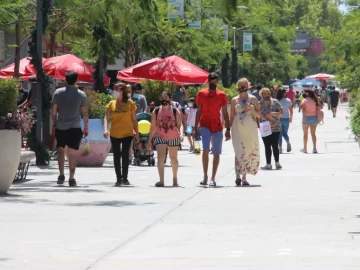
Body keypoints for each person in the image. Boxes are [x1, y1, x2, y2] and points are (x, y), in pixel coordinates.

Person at [51, 70, 88, 187]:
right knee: (72, 153)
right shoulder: (81, 94)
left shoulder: (58, 92)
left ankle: (61, 175)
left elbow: (53, 111)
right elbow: (85, 113)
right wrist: (86, 127)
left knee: (60, 150)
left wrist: (54, 123)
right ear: (76, 80)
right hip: (75, 126)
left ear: (65, 80)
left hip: (61, 126)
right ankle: (71, 178)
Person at [194, 72, 231, 187]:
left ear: (217, 82)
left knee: (216, 153)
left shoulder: (221, 95)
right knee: (205, 149)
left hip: (217, 126)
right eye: (211, 80)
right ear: (208, 81)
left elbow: (225, 113)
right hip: (204, 124)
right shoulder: (201, 93)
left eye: (214, 81)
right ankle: (205, 176)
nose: (212, 83)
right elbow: (198, 111)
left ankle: (213, 178)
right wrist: (195, 127)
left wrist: (228, 129)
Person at [104, 83, 139, 186]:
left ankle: (125, 178)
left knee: (125, 155)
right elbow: (106, 117)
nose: (116, 91)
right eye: (115, 89)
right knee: (116, 155)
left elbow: (134, 119)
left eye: (118, 90)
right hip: (114, 133)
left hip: (127, 133)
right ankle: (118, 178)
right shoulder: (111, 104)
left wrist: (136, 133)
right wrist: (105, 129)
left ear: (123, 91)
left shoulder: (130, 103)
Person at [147, 91, 183, 187]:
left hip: (173, 136)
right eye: (162, 98)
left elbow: (180, 125)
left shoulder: (175, 111)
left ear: (170, 99)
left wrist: (181, 134)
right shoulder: (156, 110)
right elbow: (153, 126)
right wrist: (149, 140)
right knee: (160, 158)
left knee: (173, 158)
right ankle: (161, 180)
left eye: (166, 98)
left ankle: (175, 178)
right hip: (160, 136)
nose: (164, 100)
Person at [230, 78, 260, 186]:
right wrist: (228, 129)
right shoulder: (234, 100)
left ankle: (244, 177)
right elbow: (231, 116)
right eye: (240, 85)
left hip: (250, 128)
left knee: (248, 150)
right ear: (238, 87)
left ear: (248, 86)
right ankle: (238, 175)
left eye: (244, 85)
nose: (242, 87)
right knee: (238, 149)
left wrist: (250, 108)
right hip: (237, 128)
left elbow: (258, 115)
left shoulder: (253, 99)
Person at [259, 88, 283, 170]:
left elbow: (281, 112)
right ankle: (268, 163)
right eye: (264, 94)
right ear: (261, 95)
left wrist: (273, 114)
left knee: (275, 145)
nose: (266, 95)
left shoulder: (275, 102)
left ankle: (277, 162)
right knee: (267, 146)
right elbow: (256, 114)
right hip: (264, 127)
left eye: (268, 93)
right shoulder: (259, 104)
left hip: (275, 127)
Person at [300, 89, 321, 154]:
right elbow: (319, 107)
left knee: (305, 134)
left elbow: (302, 108)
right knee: (313, 134)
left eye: (305, 92)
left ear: (307, 93)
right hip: (313, 118)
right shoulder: (315, 100)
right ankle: (314, 148)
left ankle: (305, 148)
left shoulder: (304, 100)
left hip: (306, 118)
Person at [276, 88, 293, 154]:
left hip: (279, 118)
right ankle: (288, 142)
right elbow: (291, 111)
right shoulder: (288, 100)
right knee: (285, 133)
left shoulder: (277, 101)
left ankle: (280, 148)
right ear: (284, 93)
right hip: (286, 118)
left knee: (279, 134)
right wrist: (291, 118)